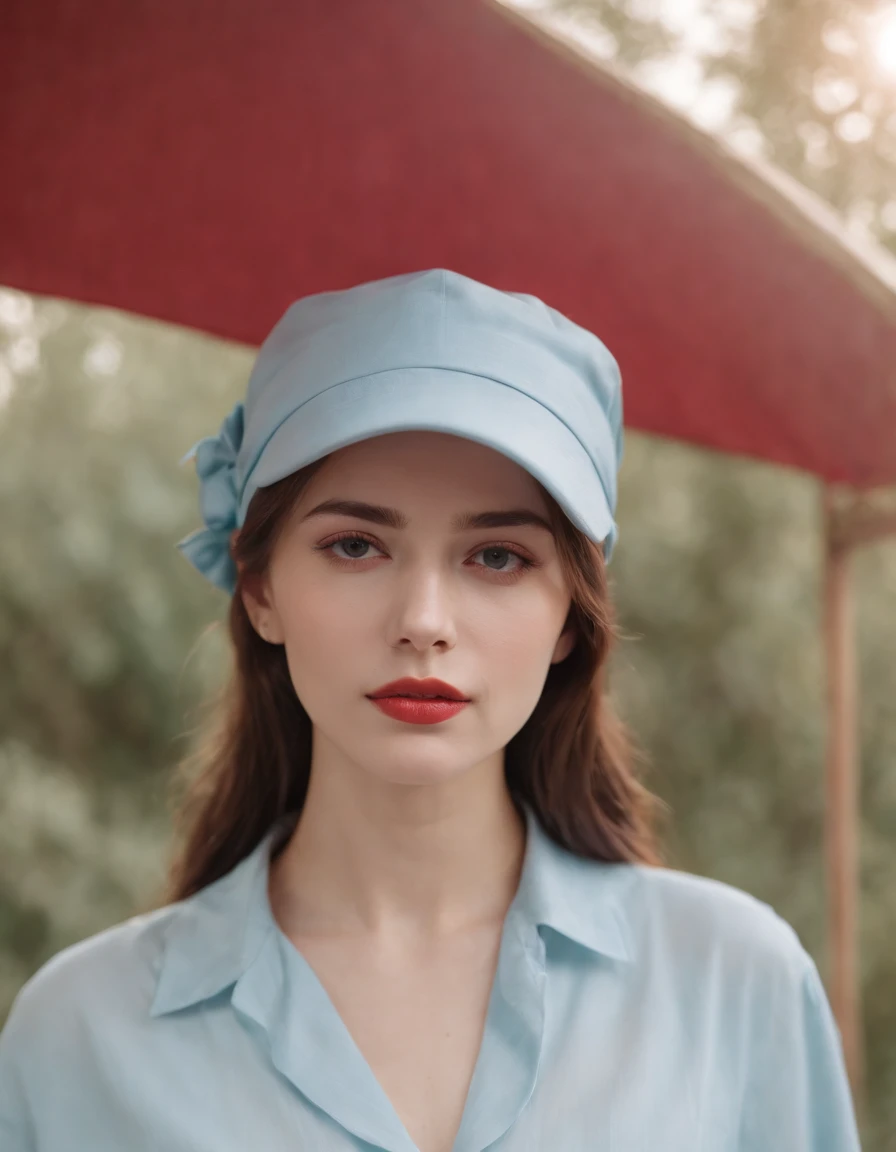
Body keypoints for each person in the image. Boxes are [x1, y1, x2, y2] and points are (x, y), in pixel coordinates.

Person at [0, 269, 861, 1152]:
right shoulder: (75, 1040)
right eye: (356, 545)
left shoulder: (736, 986)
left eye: (496, 557)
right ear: (259, 587)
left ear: (572, 610)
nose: (423, 622)